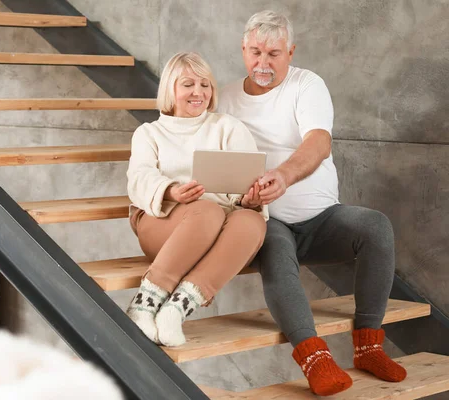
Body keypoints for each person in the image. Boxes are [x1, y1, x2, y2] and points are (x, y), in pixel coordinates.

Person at [218, 10, 406, 396]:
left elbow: (319, 142)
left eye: (274, 53)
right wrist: (242, 197)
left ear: (291, 52)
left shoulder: (308, 84)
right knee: (271, 242)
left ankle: (368, 346)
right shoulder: (224, 98)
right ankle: (314, 358)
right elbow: (213, 162)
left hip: (322, 219)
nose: (263, 63)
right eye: (255, 52)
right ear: (242, 50)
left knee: (376, 226)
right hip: (265, 219)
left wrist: (283, 176)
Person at [125, 52, 268, 347]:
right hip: (162, 223)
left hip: (218, 224)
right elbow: (138, 178)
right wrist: (170, 190)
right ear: (170, 90)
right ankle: (143, 305)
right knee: (207, 211)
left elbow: (246, 181)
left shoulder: (228, 128)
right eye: (188, 84)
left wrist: (251, 198)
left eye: (205, 85)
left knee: (253, 222)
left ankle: (176, 309)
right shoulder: (149, 133)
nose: (198, 92)